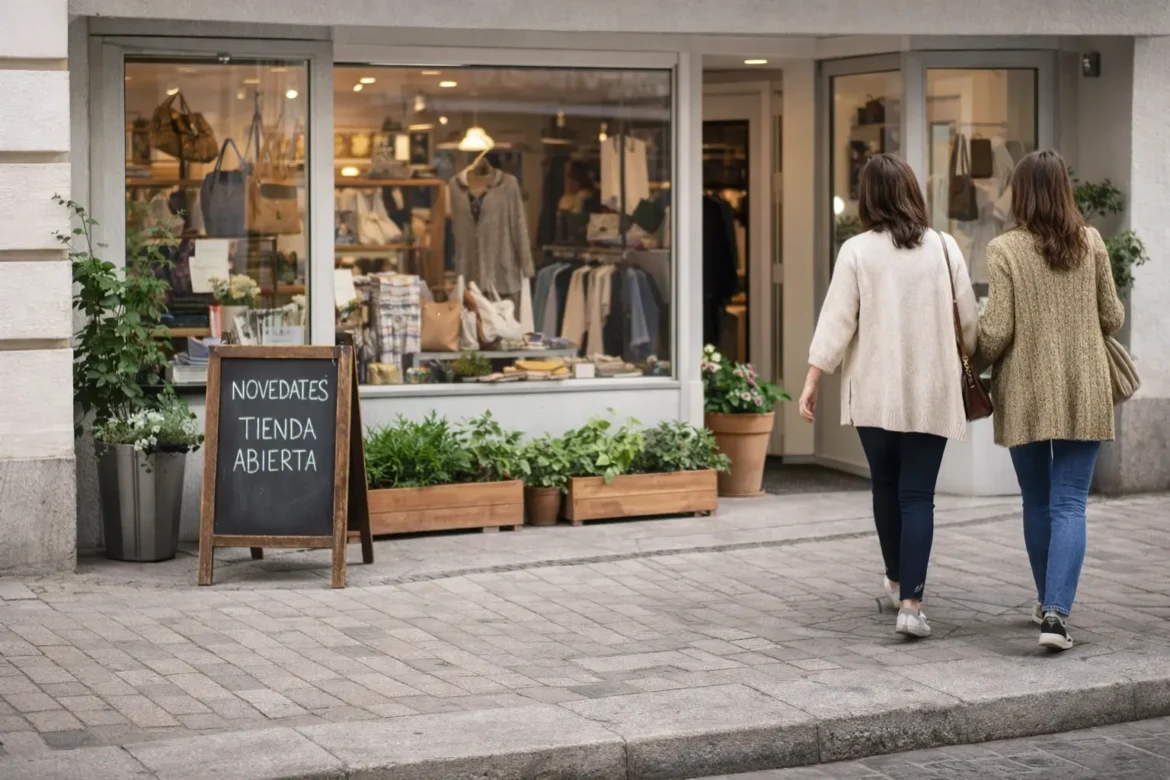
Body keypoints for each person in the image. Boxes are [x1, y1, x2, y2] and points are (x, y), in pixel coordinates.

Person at [800, 154, 978, 639]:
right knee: (917, 495)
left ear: (868, 198)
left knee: (884, 486)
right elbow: (969, 325)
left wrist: (814, 378)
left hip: (874, 393)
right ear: (912, 192)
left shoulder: (857, 250)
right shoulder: (945, 247)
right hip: (932, 390)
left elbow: (837, 320)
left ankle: (896, 579)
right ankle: (911, 606)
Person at [974, 149, 1124, 652]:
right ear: (1064, 189)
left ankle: (1047, 604)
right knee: (1069, 503)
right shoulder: (1093, 242)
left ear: (1021, 192)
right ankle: (1055, 614)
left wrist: (970, 359)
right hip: (1086, 383)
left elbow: (996, 333)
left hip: (1026, 388)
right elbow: (1113, 317)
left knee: (1038, 501)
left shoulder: (1004, 250)